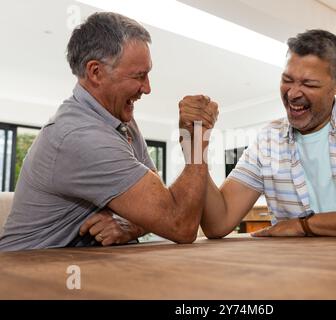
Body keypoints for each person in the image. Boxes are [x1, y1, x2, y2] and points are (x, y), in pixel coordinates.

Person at [0, 12, 218, 251]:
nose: (147, 88)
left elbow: (159, 204)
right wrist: (197, 139)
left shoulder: (119, 117)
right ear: (95, 72)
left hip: (81, 261)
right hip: (25, 273)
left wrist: (131, 225)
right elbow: (180, 224)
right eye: (139, 76)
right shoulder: (80, 135)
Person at [187, 29, 336, 238]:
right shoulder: (268, 140)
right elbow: (217, 224)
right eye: (287, 80)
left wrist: (306, 225)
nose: (293, 94)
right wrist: (195, 144)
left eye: (309, 84)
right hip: (300, 275)